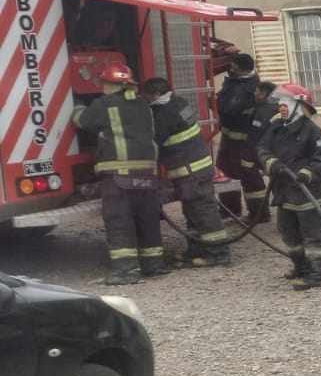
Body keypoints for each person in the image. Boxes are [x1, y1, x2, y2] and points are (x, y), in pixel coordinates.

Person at [72, 62, 167, 286]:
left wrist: (75, 105)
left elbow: (82, 121)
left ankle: (126, 271)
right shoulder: (144, 104)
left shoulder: (104, 104)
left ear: (109, 84)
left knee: (120, 221)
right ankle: (154, 265)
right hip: (148, 173)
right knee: (147, 220)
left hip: (119, 176)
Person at [142, 77, 230, 267]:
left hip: (191, 172)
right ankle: (196, 250)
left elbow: (154, 146)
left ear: (156, 95)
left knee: (204, 212)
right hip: (196, 169)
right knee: (192, 211)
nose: (146, 99)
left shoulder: (161, 115)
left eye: (147, 96)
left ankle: (218, 253)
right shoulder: (179, 103)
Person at [257, 83, 321, 290]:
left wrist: (307, 173)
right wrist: (271, 162)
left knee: (311, 235)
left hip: (308, 193)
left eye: (286, 103)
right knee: (288, 233)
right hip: (284, 191)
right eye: (280, 103)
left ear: (299, 106)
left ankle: (319, 275)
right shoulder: (276, 128)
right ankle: (301, 267)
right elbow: (262, 148)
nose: (281, 106)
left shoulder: (312, 131)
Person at [213, 49, 269, 222]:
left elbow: (228, 109)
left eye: (234, 68)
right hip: (229, 138)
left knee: (248, 173)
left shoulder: (248, 89)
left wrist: (208, 101)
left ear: (244, 70)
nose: (231, 70)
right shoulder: (237, 79)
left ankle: (259, 214)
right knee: (224, 171)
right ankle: (229, 210)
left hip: (244, 141)